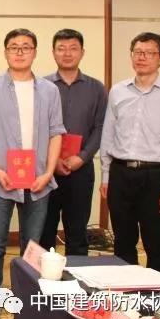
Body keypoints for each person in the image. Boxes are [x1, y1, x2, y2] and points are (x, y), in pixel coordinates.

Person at [0, 28, 64, 319]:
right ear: (5, 52)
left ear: (35, 52)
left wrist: (48, 172)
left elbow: (56, 133)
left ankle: (27, 298)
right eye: (14, 47)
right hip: (0, 180)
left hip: (39, 180)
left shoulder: (49, 91)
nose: (20, 51)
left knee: (32, 244)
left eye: (26, 47)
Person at [100, 32, 160, 275]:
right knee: (122, 241)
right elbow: (108, 135)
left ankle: (156, 295)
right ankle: (125, 293)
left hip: (156, 176)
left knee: (155, 241)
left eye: (149, 53)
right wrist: (106, 176)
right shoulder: (118, 91)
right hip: (120, 173)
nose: (142, 57)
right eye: (138, 52)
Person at [39, 29, 107, 256]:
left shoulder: (96, 88)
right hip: (46, 170)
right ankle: (43, 278)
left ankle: (76, 277)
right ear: (53, 52)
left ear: (82, 52)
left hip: (81, 170)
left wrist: (82, 157)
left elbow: (101, 127)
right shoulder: (41, 86)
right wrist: (53, 160)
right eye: (61, 48)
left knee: (77, 233)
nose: (67, 53)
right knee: (44, 232)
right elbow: (35, 128)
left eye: (73, 48)